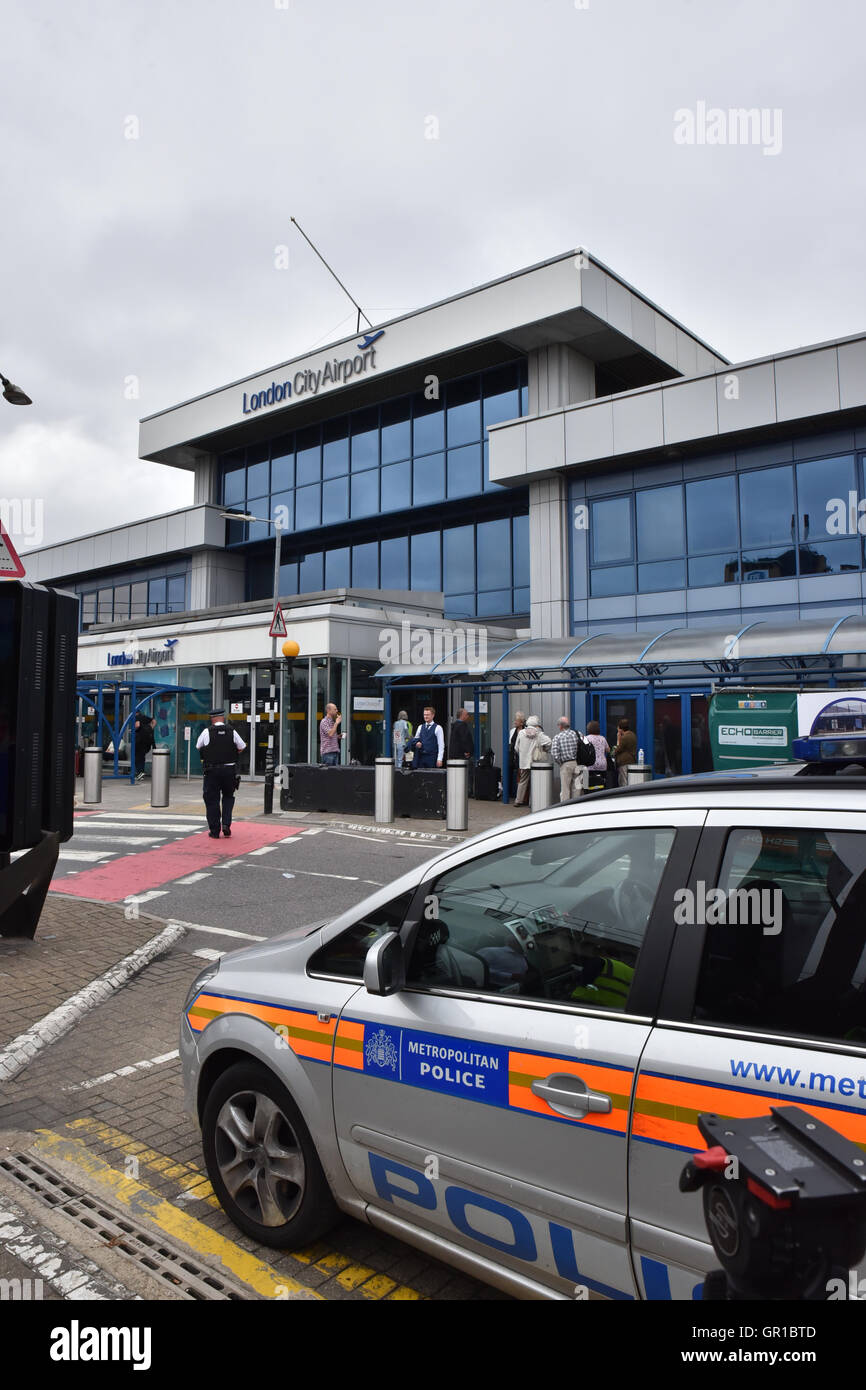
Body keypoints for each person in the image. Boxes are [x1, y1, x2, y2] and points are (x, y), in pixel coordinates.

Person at [196, 709, 247, 838]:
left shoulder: (207, 731)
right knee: (228, 797)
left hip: (212, 771)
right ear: (222, 718)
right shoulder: (231, 731)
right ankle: (226, 824)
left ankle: (214, 831)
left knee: (212, 800)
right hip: (229, 771)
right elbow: (242, 746)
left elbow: (198, 746)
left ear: (212, 719)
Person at [514, 715, 551, 805]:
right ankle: (532, 802)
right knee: (535, 782)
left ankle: (518, 800)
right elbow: (549, 742)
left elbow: (516, 747)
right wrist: (545, 749)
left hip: (524, 762)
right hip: (535, 762)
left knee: (522, 781)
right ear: (536, 725)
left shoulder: (521, 733)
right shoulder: (538, 733)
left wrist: (522, 754)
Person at [551, 716, 585, 802]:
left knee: (565, 789)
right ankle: (576, 807)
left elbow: (555, 754)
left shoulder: (557, 737)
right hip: (577, 763)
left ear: (560, 726)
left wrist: (560, 763)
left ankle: (565, 808)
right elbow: (585, 746)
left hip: (565, 764)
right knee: (577, 788)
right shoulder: (578, 734)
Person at [584, 719, 612, 788]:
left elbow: (583, 750)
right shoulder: (602, 738)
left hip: (590, 765)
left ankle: (587, 794)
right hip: (602, 765)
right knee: (602, 783)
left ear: (589, 729)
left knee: (587, 784)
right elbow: (608, 750)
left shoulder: (586, 738)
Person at [507, 711, 526, 801]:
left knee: (520, 774)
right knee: (510, 772)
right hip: (512, 755)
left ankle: (519, 795)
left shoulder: (525, 731)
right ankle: (510, 792)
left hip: (521, 755)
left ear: (521, 722)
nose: (515, 722)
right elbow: (510, 742)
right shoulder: (512, 731)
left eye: (516, 721)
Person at [615, 718, 637, 786]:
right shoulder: (633, 734)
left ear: (621, 729)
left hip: (624, 762)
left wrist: (618, 739)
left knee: (623, 781)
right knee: (629, 780)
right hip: (631, 760)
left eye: (618, 728)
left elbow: (617, 749)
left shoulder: (624, 737)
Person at [134, 715, 154, 781]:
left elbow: (137, 725)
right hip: (147, 742)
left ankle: (139, 773)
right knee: (142, 757)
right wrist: (150, 729)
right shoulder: (145, 717)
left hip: (139, 741)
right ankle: (141, 774)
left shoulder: (137, 717)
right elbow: (154, 721)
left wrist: (134, 730)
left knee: (137, 758)